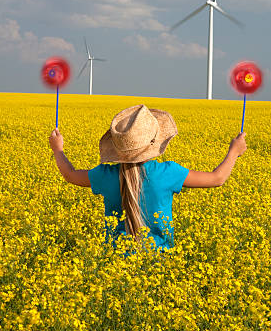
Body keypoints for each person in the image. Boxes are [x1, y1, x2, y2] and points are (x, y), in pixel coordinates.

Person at [49, 104, 247, 252]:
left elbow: (70, 174)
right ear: (154, 142)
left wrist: (58, 149)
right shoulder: (168, 173)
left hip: (114, 264)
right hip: (159, 264)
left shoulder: (105, 175)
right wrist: (234, 151)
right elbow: (217, 178)